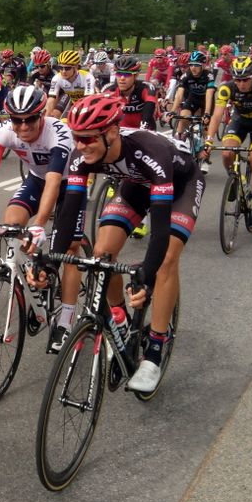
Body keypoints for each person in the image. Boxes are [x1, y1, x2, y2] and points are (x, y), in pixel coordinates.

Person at [32, 93, 204, 392]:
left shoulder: (150, 151)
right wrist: (51, 262)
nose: (81, 146)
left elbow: (159, 230)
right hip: (136, 184)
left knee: (166, 260)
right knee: (102, 253)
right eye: (76, 138)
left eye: (88, 138)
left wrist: (146, 278)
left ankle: (154, 351)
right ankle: (120, 319)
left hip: (179, 186)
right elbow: (69, 213)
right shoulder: (81, 156)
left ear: (112, 132)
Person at [0, 85, 84, 352]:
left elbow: (54, 181)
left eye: (30, 119)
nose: (23, 126)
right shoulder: (4, 132)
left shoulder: (58, 134)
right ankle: (34, 278)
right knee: (12, 223)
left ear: (41, 115)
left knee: (70, 248)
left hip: (69, 184)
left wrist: (39, 224)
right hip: (37, 179)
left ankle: (66, 320)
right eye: (16, 120)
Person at [203, 56, 252, 227]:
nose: (241, 84)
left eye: (245, 79)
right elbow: (217, 116)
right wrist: (209, 140)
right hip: (239, 120)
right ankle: (236, 180)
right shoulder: (227, 88)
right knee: (227, 153)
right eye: (238, 79)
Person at [46, 49, 95, 119]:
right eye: (60, 67)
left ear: (76, 67)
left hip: (91, 103)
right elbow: (51, 99)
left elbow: (88, 100)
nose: (63, 71)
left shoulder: (87, 77)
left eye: (67, 68)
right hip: (74, 102)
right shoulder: (57, 78)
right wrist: (46, 119)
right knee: (55, 114)